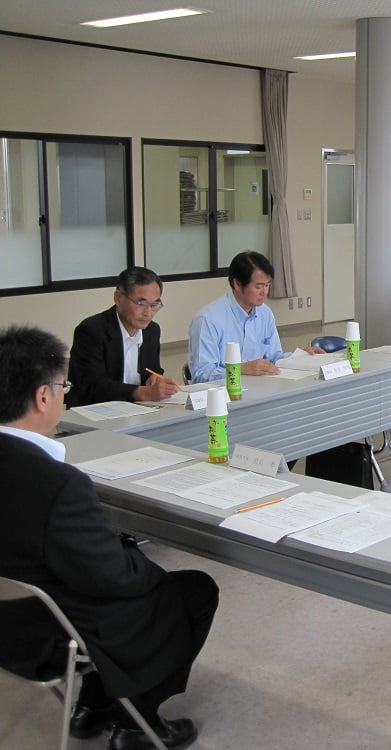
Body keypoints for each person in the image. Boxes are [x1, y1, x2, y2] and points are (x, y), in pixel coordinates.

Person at [0, 326, 218, 750]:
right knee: (191, 590)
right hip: (48, 630)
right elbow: (114, 578)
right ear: (43, 397)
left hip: (10, 616)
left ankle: (92, 706)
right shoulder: (58, 485)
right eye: (63, 388)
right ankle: (137, 722)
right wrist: (139, 559)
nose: (63, 396)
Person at [188, 251, 323, 383]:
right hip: (224, 392)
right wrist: (240, 369)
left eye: (267, 285)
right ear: (237, 284)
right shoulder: (207, 320)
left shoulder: (265, 313)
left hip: (260, 388)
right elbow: (201, 376)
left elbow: (273, 358)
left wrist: (300, 357)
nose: (264, 292)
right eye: (258, 287)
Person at [66, 267, 180, 407]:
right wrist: (142, 392)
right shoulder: (91, 331)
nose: (148, 313)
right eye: (141, 304)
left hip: (139, 409)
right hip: (96, 411)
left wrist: (156, 378)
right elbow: (92, 387)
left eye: (154, 305)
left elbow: (154, 369)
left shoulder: (152, 331)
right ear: (118, 298)